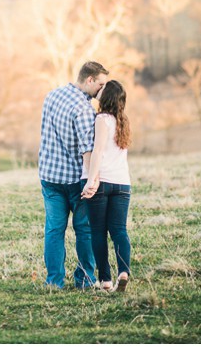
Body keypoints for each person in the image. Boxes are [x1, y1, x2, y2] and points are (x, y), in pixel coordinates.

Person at [38, 61, 109, 289]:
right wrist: (92, 179)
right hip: (75, 181)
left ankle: (54, 281)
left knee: (54, 230)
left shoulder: (52, 95)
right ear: (89, 80)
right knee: (84, 230)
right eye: (100, 84)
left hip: (49, 176)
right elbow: (87, 149)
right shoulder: (83, 108)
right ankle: (85, 280)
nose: (102, 90)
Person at [81, 79, 132, 292]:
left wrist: (91, 180)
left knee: (99, 232)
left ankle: (106, 280)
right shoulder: (124, 121)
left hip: (103, 183)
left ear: (106, 96)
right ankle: (123, 271)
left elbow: (98, 151)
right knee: (119, 230)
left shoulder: (102, 118)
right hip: (123, 184)